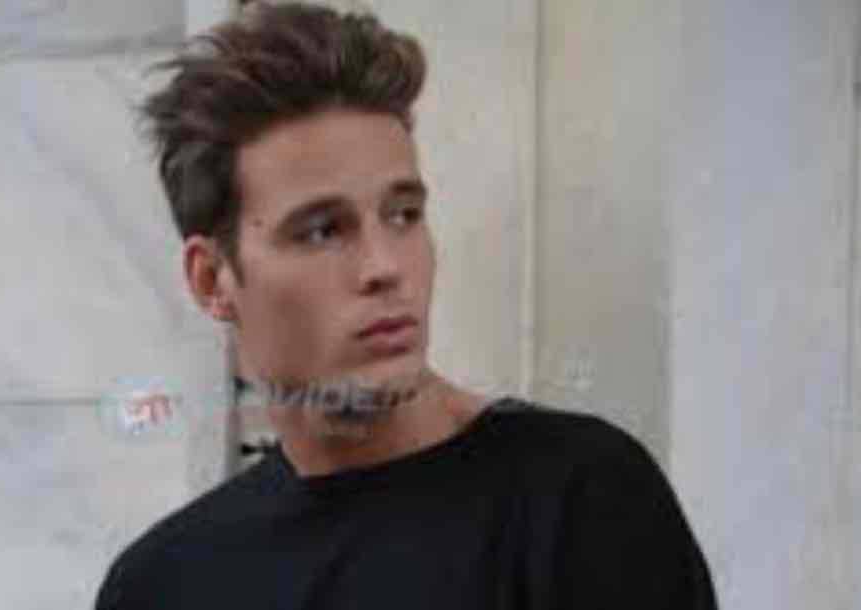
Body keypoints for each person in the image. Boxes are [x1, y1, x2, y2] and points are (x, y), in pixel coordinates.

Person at [94, 2, 718, 608]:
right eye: (322, 230)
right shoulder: (162, 584)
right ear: (212, 280)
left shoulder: (578, 501)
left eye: (403, 215)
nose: (385, 267)